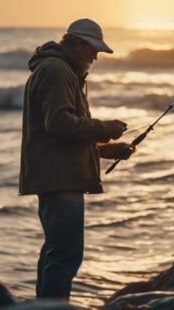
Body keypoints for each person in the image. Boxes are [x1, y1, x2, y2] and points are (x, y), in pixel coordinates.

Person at [19, 18, 135, 300]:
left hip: (58, 173)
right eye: (93, 49)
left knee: (56, 251)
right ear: (77, 44)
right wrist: (103, 128)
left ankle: (45, 306)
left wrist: (108, 150)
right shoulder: (57, 71)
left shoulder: (62, 70)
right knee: (65, 254)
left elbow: (62, 137)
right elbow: (58, 124)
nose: (96, 56)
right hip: (59, 178)